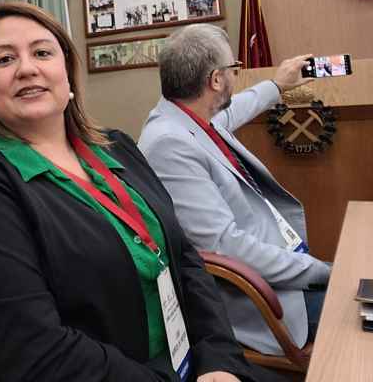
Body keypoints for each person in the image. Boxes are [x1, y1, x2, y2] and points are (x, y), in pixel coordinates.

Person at [0, 1, 259, 382]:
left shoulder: (117, 147)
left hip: (193, 364)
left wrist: (219, 360)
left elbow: (184, 257)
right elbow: (33, 349)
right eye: (5, 59)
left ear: (67, 72)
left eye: (42, 53)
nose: (26, 68)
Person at [138, 24, 330, 357]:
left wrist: (277, 86)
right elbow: (225, 246)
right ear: (216, 80)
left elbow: (236, 108)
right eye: (233, 68)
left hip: (280, 267)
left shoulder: (192, 116)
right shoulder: (169, 143)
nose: (235, 75)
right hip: (265, 301)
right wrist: (322, 272)